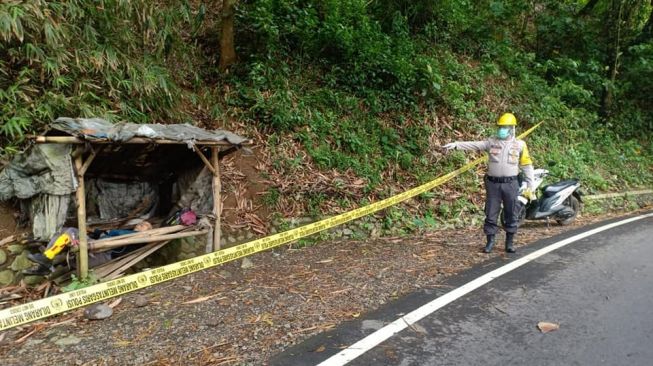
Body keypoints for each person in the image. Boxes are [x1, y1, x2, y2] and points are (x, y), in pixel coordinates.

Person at [443, 113, 535, 253]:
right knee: (491, 213)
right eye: (500, 127)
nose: (501, 130)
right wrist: (456, 145)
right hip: (493, 184)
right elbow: (474, 145)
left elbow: (527, 166)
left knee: (511, 213)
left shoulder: (520, 145)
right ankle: (490, 242)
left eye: (504, 127)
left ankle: (509, 243)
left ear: (512, 128)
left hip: (511, 184)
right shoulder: (491, 142)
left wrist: (530, 186)